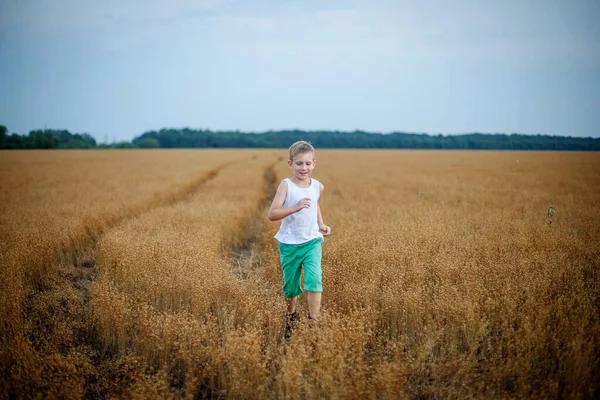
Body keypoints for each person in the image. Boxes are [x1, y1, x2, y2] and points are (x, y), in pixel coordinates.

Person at [267, 141, 331, 339]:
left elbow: (315, 206)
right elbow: (272, 214)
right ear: (290, 164)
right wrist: (294, 207)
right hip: (289, 244)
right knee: (291, 287)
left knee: (314, 279)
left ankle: (314, 322)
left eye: (307, 164)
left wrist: (321, 224)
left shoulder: (317, 186)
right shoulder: (286, 186)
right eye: (299, 163)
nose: (304, 168)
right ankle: (290, 317)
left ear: (314, 164)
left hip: (312, 241)